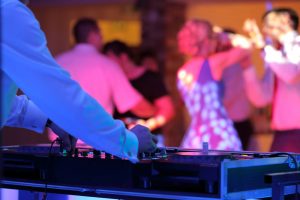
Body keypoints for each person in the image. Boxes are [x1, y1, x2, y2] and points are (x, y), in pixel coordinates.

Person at [1, 0, 157, 163]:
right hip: (100, 148)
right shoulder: (8, 12)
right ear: (94, 35)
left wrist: (50, 118)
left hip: (70, 142)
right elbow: (59, 95)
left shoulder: (60, 58)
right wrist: (128, 141)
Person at [49, 18, 157, 143]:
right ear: (93, 35)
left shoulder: (56, 62)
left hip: (59, 145)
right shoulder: (107, 65)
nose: (102, 38)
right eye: (100, 34)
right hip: (96, 146)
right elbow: (136, 105)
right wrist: (155, 110)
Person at [176, 19, 251, 150]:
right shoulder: (213, 63)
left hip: (195, 137)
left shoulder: (182, 71)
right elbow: (247, 46)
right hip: (219, 134)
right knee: (223, 169)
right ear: (206, 40)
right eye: (212, 37)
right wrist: (226, 35)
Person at [243, 8, 300, 152]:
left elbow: (292, 74)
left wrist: (263, 48)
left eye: (268, 22)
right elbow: (262, 98)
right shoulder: (276, 52)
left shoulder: (297, 45)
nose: (264, 29)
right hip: (283, 134)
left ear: (285, 19)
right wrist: (246, 65)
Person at [103, 40, 175, 146]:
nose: (108, 65)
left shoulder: (151, 78)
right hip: (120, 139)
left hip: (148, 138)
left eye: (110, 60)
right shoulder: (110, 80)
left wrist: (147, 125)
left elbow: (167, 110)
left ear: (123, 57)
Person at [216, 28, 254, 150]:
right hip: (231, 121)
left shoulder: (233, 63)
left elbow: (229, 94)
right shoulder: (222, 62)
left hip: (236, 122)